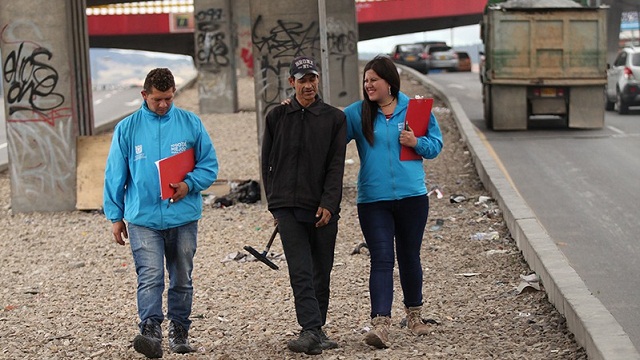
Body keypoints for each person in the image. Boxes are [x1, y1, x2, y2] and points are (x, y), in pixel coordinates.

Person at [103, 68, 218, 358]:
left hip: (183, 217)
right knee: (150, 276)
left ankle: (179, 331)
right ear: (144, 95)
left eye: (168, 98)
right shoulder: (127, 129)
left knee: (181, 278)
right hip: (143, 218)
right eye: (157, 99)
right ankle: (150, 330)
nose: (164, 104)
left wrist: (188, 184)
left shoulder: (191, 123)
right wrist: (115, 216)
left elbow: (209, 165)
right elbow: (114, 175)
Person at [342, 55, 443, 349]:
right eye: (365, 80)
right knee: (382, 258)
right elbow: (327, 127)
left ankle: (414, 315)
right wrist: (294, 107)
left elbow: (435, 145)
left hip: (412, 197)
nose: (368, 85)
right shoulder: (357, 114)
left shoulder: (415, 109)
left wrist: (416, 143)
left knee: (409, 256)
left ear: (390, 82)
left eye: (374, 80)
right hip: (373, 200)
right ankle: (381, 324)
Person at [261, 56, 347, 355]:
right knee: (300, 269)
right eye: (302, 80)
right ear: (291, 82)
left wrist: (329, 203)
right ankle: (309, 328)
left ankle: (317, 329)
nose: (308, 85)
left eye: (312, 79)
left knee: (322, 270)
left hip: (322, 208)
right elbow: (267, 162)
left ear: (318, 80)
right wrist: (274, 203)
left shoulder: (335, 118)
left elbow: (337, 166)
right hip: (287, 207)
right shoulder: (277, 117)